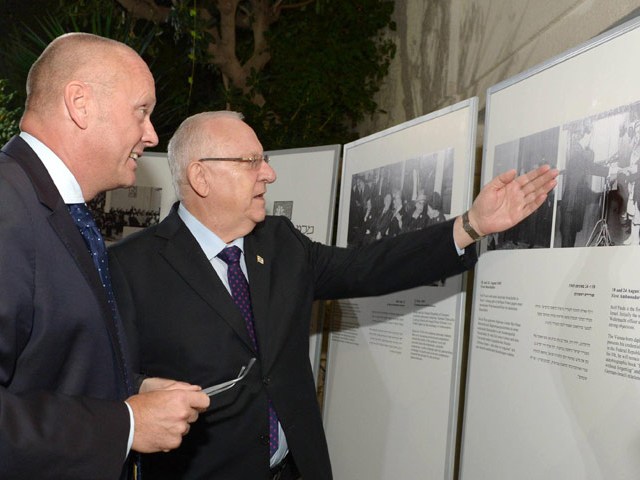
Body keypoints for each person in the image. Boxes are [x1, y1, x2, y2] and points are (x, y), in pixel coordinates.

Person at [109, 111, 558, 480]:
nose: (269, 172)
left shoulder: (279, 241)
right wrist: (139, 390)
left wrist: (470, 226)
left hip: (297, 469)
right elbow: (100, 377)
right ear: (201, 177)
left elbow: (365, 269)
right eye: (251, 161)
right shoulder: (131, 267)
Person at [0, 33, 210, 480]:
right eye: (142, 111)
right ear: (80, 104)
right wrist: (127, 425)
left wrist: (131, 390)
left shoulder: (53, 208)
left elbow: (43, 364)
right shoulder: (7, 206)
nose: (151, 134)